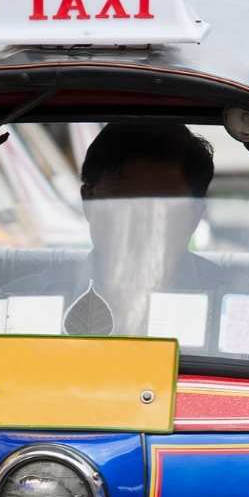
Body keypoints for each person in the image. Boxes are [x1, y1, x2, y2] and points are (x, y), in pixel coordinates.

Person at [67, 122, 215, 338]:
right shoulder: (32, 297)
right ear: (88, 201)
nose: (140, 222)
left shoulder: (240, 306)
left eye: (162, 206)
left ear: (194, 216)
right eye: (122, 203)